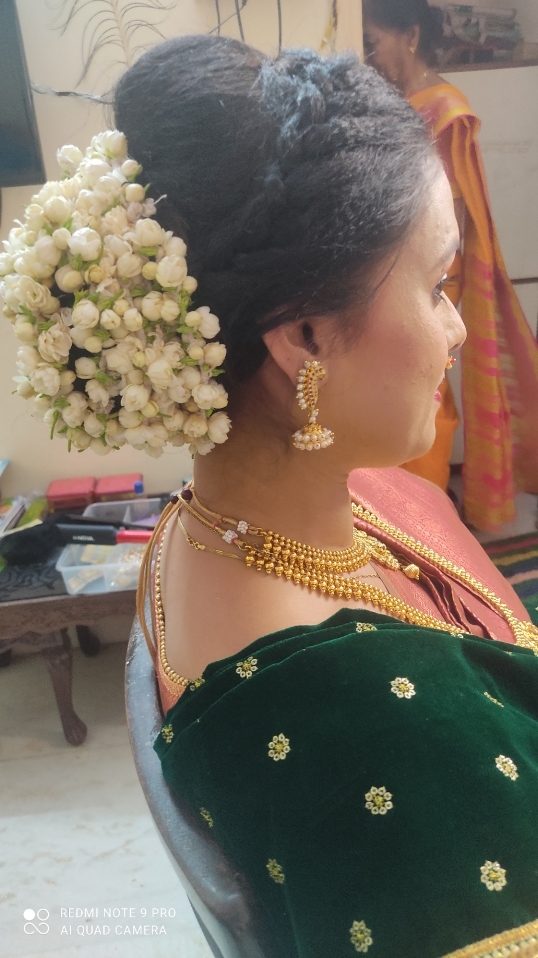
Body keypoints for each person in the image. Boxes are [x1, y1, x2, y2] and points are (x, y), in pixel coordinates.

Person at [115, 36, 538, 958]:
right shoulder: (389, 747)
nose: (459, 330)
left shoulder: (197, 526)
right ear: (304, 335)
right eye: (436, 286)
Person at [363, 0, 538, 530]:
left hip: (429, 275)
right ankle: (402, 512)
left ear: (411, 35)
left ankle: (425, 519)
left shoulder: (444, 109)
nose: (369, 57)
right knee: (398, 386)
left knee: (423, 387)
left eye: (374, 42)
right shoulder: (402, 103)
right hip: (389, 271)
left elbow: (444, 216)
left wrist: (418, 284)